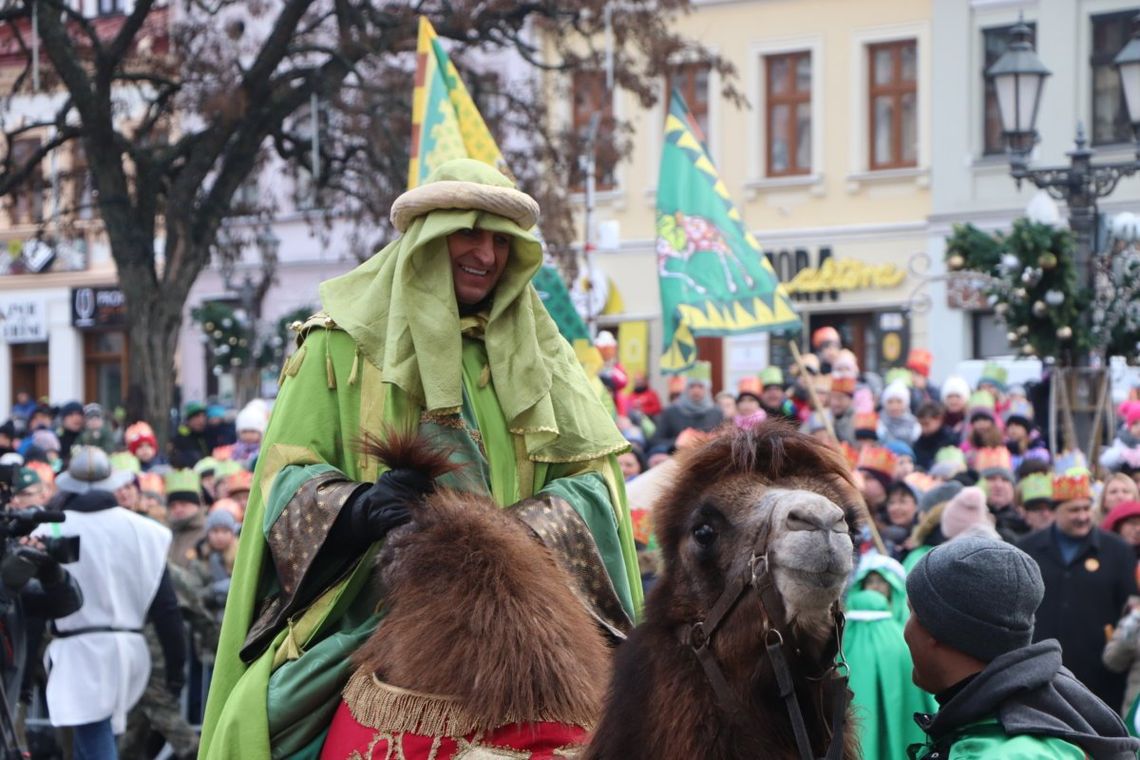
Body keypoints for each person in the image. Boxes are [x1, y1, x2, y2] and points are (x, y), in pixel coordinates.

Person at [201, 159, 641, 758]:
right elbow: (284, 477)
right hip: (380, 609)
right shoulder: (336, 343)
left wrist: (511, 533)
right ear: (428, 238)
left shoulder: (547, 355)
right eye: (468, 232)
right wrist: (357, 508)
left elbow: (594, 484)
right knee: (265, 729)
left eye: (500, 240)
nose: (485, 254)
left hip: (533, 611)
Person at [904, 537, 1139, 759]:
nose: (904, 630)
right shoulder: (1048, 707)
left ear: (937, 628)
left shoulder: (1004, 753)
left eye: (912, 612)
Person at [35, 446, 185, 760]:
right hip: (129, 651)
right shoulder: (147, 531)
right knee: (92, 738)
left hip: (80, 651)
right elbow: (167, 609)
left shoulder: (48, 530)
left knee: (95, 738)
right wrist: (176, 665)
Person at [1018, 471, 1139, 710]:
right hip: (1042, 669)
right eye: (1074, 510)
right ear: (1054, 511)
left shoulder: (1117, 551)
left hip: (1101, 675)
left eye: (1086, 508)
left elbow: (1131, 606)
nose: (1083, 516)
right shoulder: (1027, 549)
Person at [650, 362, 723, 455]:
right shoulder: (671, 412)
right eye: (692, 386)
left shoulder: (716, 413)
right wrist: (677, 442)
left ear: (707, 389)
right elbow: (654, 441)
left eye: (700, 386)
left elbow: (724, 441)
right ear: (685, 388)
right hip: (676, 461)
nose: (696, 390)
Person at [170, 402, 211, 467]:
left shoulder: (207, 435)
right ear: (188, 420)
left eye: (203, 416)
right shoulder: (181, 439)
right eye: (197, 417)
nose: (201, 420)